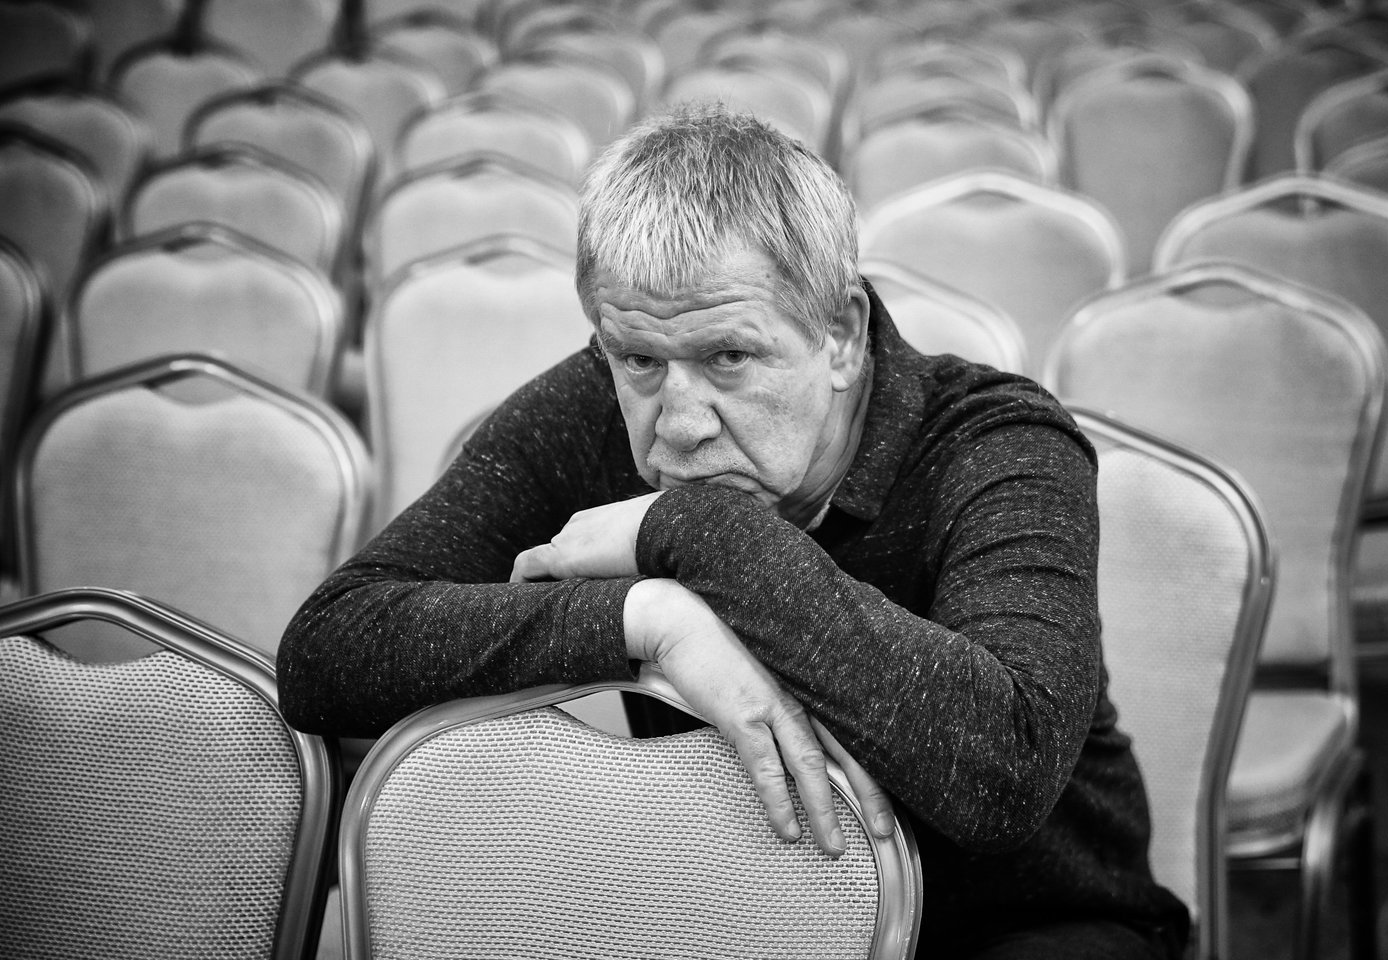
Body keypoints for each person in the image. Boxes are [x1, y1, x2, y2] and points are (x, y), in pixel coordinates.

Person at [278, 103, 1190, 958]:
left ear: (842, 335)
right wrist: (646, 618)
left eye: (731, 356)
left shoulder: (1000, 442)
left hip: (1027, 926)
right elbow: (327, 650)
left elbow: (1002, 774)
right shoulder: (592, 404)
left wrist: (694, 526)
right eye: (639, 358)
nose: (679, 424)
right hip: (738, 909)